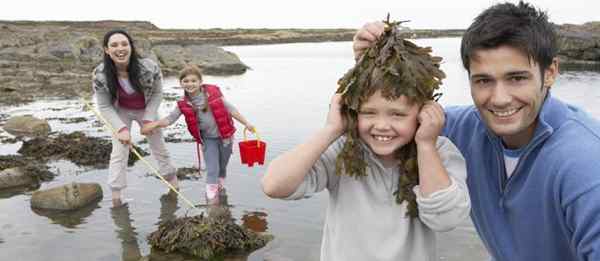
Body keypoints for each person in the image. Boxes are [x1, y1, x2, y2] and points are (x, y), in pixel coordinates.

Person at [353, 1, 600, 260]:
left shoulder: (585, 160)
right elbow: (392, 121)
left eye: (516, 78)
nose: (500, 98)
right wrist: (372, 63)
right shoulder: (461, 129)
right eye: (483, 81)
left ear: (550, 72)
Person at [262, 23, 470, 260]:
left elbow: (447, 219)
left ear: (423, 112)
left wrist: (425, 145)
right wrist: (331, 129)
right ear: (352, 111)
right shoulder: (343, 150)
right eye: (369, 112)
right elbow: (274, 185)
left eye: (397, 114)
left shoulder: (440, 151)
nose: (381, 125)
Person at [142, 64, 255, 203]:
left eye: (193, 81)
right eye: (186, 81)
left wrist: (247, 123)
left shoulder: (214, 96)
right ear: (181, 83)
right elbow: (170, 119)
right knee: (212, 168)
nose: (190, 84)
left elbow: (232, 110)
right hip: (208, 140)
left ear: (200, 82)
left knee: (222, 166)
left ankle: (220, 184)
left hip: (226, 137)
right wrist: (154, 124)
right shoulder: (182, 104)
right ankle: (212, 201)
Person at [92, 29, 177, 207]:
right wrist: (121, 129)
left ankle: (174, 187)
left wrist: (148, 120)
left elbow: (157, 93)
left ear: (131, 47)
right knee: (119, 151)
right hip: (120, 111)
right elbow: (105, 106)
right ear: (107, 50)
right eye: (114, 45)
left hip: (147, 109)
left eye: (124, 44)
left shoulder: (150, 66)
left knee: (159, 147)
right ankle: (116, 197)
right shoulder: (99, 74)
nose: (120, 48)